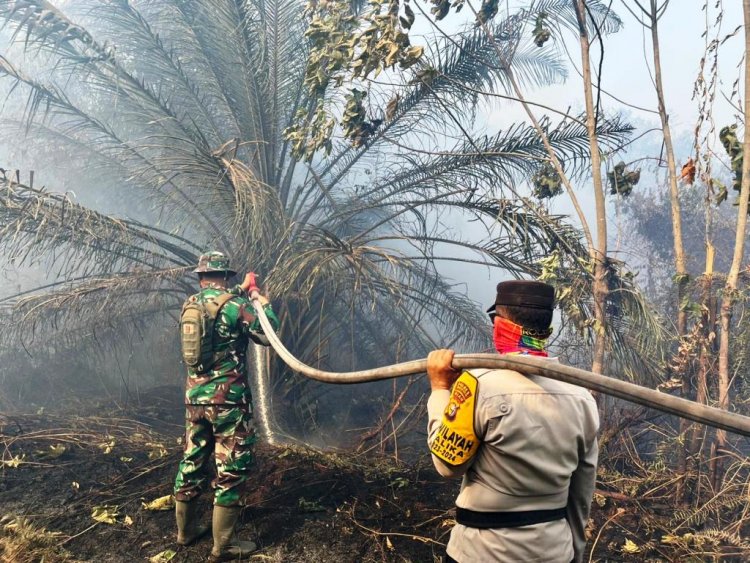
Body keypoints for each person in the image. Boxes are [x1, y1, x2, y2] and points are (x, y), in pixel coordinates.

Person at [426, 280, 599, 563]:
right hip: (554, 553)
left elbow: (447, 466)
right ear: (545, 330)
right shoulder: (582, 397)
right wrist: (575, 555)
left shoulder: (475, 385)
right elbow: (582, 494)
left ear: (500, 324)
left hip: (481, 552)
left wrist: (439, 389)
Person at [173, 251, 280, 562]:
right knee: (230, 468)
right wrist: (260, 297)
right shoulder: (237, 306)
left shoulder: (190, 304)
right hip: (228, 403)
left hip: (195, 401)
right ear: (226, 276)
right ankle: (224, 547)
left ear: (201, 277)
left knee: (192, 459)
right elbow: (267, 332)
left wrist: (241, 289)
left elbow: (216, 302)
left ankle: (185, 532)